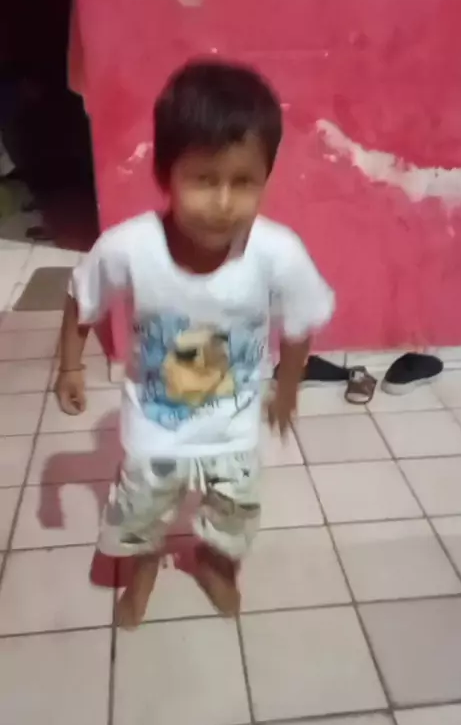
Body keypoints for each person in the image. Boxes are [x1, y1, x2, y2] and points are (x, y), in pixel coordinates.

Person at [55, 60, 334, 628]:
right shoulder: (129, 248)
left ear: (266, 177)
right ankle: (144, 566)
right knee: (140, 509)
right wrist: (70, 368)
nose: (224, 202)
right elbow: (81, 297)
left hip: (233, 423)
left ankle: (213, 562)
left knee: (237, 510)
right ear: (166, 173)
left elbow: (301, 320)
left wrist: (287, 388)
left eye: (244, 182)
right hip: (155, 424)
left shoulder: (276, 253)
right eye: (204, 179)